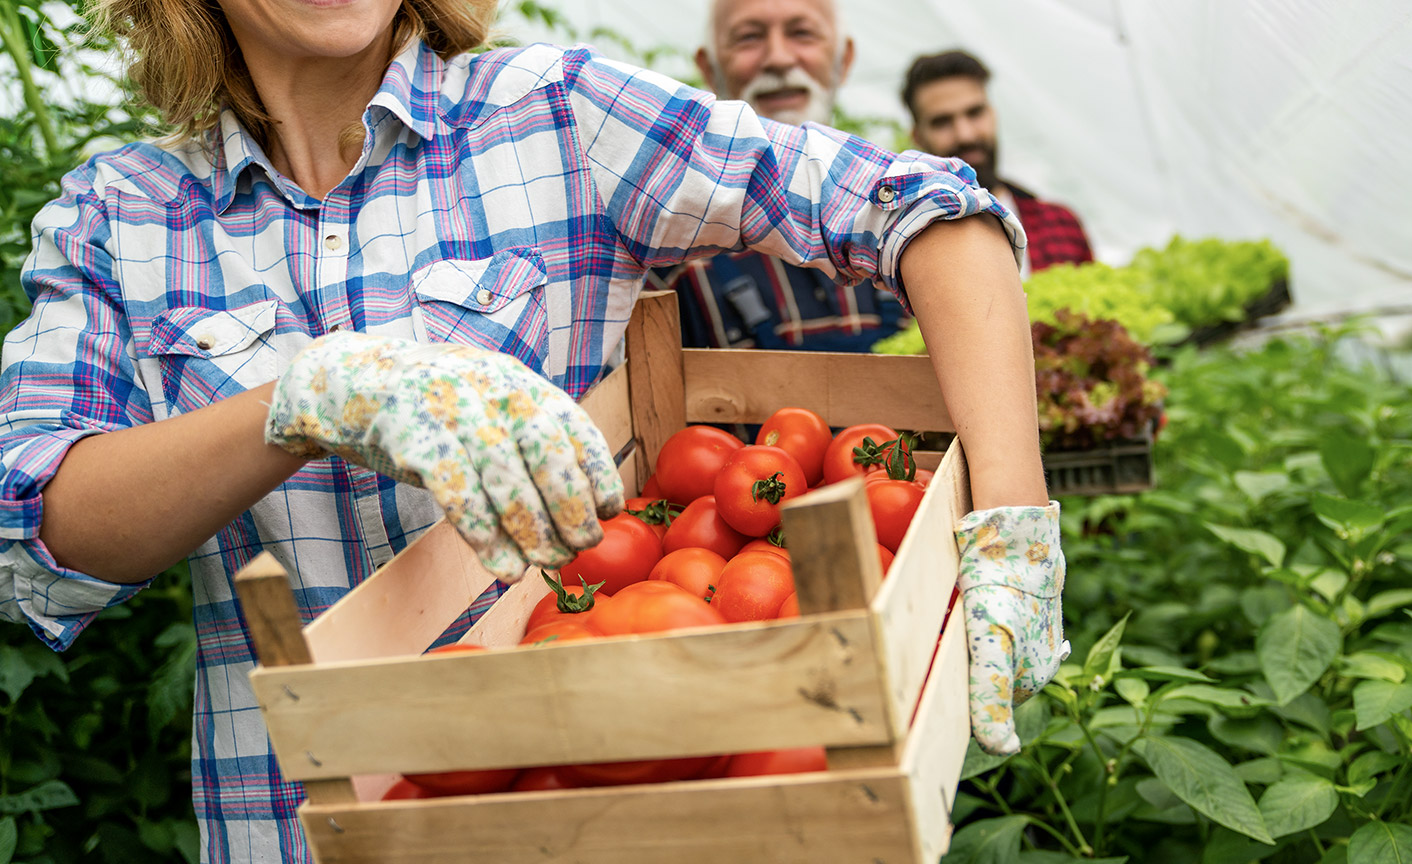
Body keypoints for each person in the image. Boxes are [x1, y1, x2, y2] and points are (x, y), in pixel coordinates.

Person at [0, 1, 1067, 861]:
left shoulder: (555, 114)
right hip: (294, 826)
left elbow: (929, 210)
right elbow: (38, 539)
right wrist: (304, 397)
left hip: (603, 806)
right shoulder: (122, 216)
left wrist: (1012, 516)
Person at [645, 0, 906, 351]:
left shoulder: (902, 213)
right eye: (748, 37)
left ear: (842, 60)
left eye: (802, 33)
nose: (779, 58)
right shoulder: (669, 245)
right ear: (710, 68)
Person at [903, 49, 1095, 273]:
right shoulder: (910, 241)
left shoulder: (1060, 223)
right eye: (942, 122)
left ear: (992, 114)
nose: (965, 135)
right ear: (918, 137)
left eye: (974, 113)